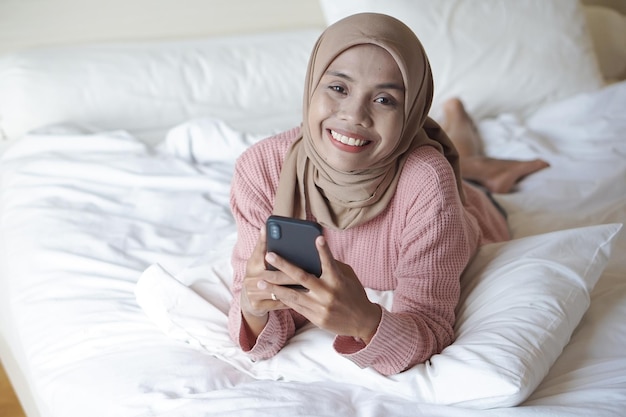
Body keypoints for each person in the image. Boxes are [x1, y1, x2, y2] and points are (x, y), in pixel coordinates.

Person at [228, 13, 548, 376]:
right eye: (338, 88)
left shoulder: (428, 181)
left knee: (460, 177)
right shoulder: (262, 168)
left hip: (471, 213)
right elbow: (257, 333)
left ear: (411, 110)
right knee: (452, 159)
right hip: (403, 162)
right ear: (312, 87)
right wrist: (254, 308)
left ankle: (471, 150)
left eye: (384, 100)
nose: (355, 115)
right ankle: (470, 151)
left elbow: (431, 328)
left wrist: (364, 322)